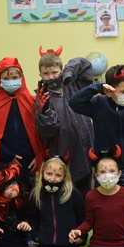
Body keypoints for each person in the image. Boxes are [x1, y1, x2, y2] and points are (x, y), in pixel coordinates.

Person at [69, 64, 124, 223]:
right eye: (123, 92)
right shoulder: (99, 104)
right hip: (104, 168)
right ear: (111, 90)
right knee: (103, 209)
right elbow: (74, 102)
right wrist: (98, 87)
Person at [35, 48, 95, 193]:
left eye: (55, 72)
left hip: (85, 152)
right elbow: (47, 132)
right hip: (63, 156)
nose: (51, 77)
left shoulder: (73, 86)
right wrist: (45, 111)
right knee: (65, 195)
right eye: (46, 73)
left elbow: (84, 64)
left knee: (85, 193)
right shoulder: (42, 98)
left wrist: (69, 72)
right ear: (40, 75)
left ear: (61, 71)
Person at [0, 57, 45, 190]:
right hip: (6, 162)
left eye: (15, 77)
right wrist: (8, 155)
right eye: (6, 78)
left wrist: (37, 156)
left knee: (28, 195)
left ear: (21, 77)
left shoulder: (30, 100)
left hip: (29, 161)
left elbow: (37, 133)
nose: (11, 81)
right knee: (7, 195)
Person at [28, 157, 86, 247]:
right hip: (46, 241)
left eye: (58, 175)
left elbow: (82, 218)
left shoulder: (73, 193)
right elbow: (33, 218)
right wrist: (36, 236)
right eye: (49, 174)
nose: (53, 179)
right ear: (42, 173)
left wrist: (82, 237)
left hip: (68, 242)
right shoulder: (36, 194)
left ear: (64, 177)